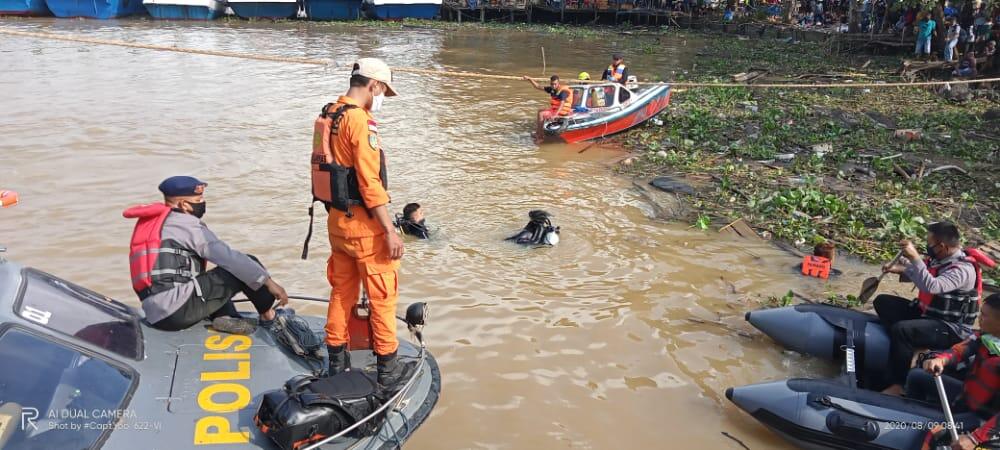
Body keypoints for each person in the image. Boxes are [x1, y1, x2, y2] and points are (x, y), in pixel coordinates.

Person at [319, 58, 414, 393]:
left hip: (336, 223)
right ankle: (388, 367)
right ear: (373, 85)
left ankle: (335, 360)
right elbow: (370, 182)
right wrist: (389, 231)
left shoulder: (330, 113)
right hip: (364, 227)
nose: (382, 98)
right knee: (383, 296)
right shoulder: (360, 121)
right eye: (383, 91)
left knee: (341, 292)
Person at [123, 176, 289, 334]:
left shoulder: (156, 223)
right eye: (198, 200)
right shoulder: (187, 225)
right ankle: (269, 317)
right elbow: (229, 258)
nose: (202, 203)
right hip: (176, 312)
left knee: (206, 279)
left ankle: (224, 317)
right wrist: (269, 283)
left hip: (156, 313)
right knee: (246, 264)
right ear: (184, 205)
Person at [874, 221, 994, 395]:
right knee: (883, 302)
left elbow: (932, 286)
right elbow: (927, 273)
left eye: (930, 244)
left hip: (951, 327)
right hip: (929, 315)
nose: (927, 247)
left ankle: (898, 384)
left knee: (902, 330)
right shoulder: (941, 259)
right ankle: (915, 344)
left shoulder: (962, 269)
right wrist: (902, 270)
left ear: (942, 246)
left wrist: (914, 257)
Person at [905, 293, 1000, 449]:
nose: (979, 318)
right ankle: (908, 417)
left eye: (984, 315)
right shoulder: (986, 336)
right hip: (967, 398)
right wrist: (940, 359)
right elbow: (960, 350)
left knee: (935, 431)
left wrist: (974, 438)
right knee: (916, 377)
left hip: (984, 417)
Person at [522, 75, 574, 143]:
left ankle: (540, 137)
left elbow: (562, 104)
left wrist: (555, 115)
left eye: (555, 84)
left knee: (541, 114)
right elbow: (538, 87)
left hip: (562, 111)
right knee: (540, 110)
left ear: (558, 83)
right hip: (555, 110)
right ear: (550, 83)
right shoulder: (552, 89)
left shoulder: (563, 92)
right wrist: (530, 79)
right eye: (552, 84)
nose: (553, 86)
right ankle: (538, 133)